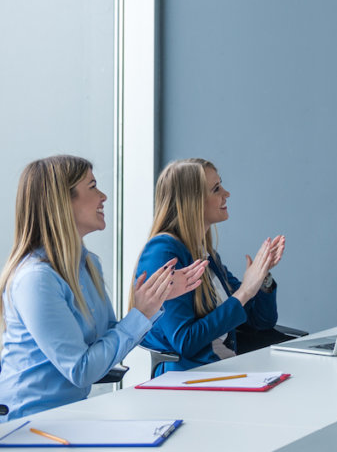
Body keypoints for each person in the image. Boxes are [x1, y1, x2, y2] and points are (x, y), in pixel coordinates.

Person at [0, 156, 206, 420]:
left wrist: (155, 302)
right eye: (93, 186)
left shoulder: (87, 265)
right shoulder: (36, 280)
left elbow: (108, 338)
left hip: (71, 414)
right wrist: (140, 313)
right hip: (30, 426)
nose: (104, 196)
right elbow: (82, 369)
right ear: (64, 201)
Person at [133, 158, 285, 373]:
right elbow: (185, 341)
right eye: (216, 189)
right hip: (190, 380)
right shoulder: (163, 252)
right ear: (192, 201)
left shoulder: (204, 253)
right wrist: (244, 292)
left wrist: (263, 278)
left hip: (223, 370)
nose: (226, 194)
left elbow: (261, 321)